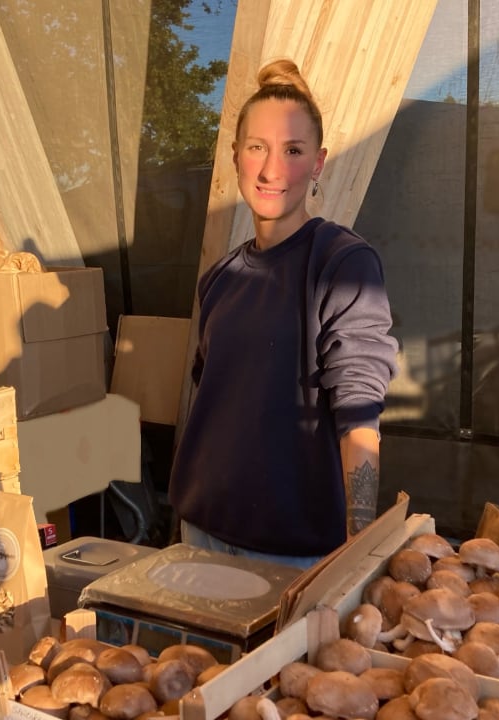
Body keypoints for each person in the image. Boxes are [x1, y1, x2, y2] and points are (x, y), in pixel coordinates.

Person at [168, 59, 399, 569]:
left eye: (293, 151)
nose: (272, 170)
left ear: (317, 164)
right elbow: (217, 404)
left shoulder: (342, 262)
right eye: (258, 148)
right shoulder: (220, 278)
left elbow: (359, 410)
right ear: (236, 157)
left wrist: (359, 549)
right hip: (199, 536)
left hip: (293, 556)